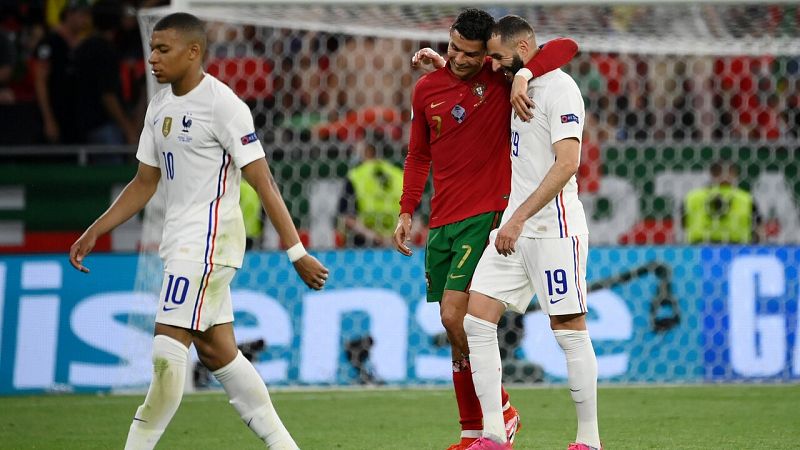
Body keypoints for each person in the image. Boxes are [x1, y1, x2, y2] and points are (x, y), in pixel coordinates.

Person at [68, 12, 329, 450]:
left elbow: (263, 181)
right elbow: (144, 182)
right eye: (151, 48)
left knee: (166, 356)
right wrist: (95, 229)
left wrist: (296, 251)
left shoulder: (223, 105)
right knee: (216, 352)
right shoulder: (160, 106)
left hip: (208, 245)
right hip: (182, 245)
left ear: (193, 52)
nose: (152, 58)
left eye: (163, 49)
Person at [393, 8, 578, 449]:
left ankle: (501, 414)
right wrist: (406, 210)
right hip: (441, 219)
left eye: (466, 52)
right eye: (451, 46)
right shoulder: (426, 89)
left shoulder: (498, 79)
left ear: (486, 56)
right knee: (452, 326)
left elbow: (566, 47)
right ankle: (473, 430)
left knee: (456, 316)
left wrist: (522, 74)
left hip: (486, 215)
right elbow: (419, 155)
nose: (454, 56)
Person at [461, 16, 600, 450]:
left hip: (553, 231)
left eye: (502, 59)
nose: (495, 67)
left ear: (522, 50)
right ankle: (494, 435)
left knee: (568, 328)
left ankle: (588, 440)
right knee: (475, 319)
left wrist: (517, 218)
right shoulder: (514, 79)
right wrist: (519, 72)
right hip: (514, 230)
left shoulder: (561, 91)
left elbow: (567, 164)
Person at [33, 0, 91, 144]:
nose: (86, 20)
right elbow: (40, 81)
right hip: (55, 113)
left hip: (77, 117)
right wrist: (48, 119)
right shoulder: (50, 42)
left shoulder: (83, 45)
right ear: (69, 15)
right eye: (82, 15)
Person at [338, 139, 404, 247]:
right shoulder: (400, 175)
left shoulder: (355, 176)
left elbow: (348, 218)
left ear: (368, 150)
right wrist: (397, 239)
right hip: (397, 246)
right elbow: (416, 219)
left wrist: (377, 238)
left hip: (363, 247)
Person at [683, 160, 762, 244]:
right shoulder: (746, 198)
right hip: (737, 250)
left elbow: (683, 225)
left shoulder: (693, 197)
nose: (725, 176)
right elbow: (758, 229)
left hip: (699, 250)